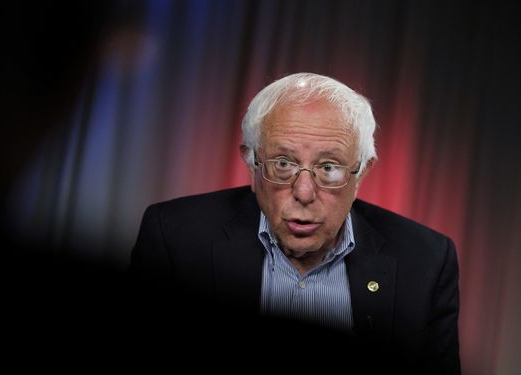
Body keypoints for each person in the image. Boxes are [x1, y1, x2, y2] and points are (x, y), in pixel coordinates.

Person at [129, 73, 460, 373]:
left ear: (363, 170)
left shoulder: (426, 259)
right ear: (251, 160)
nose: (304, 192)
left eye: (329, 167)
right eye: (283, 163)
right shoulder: (174, 235)